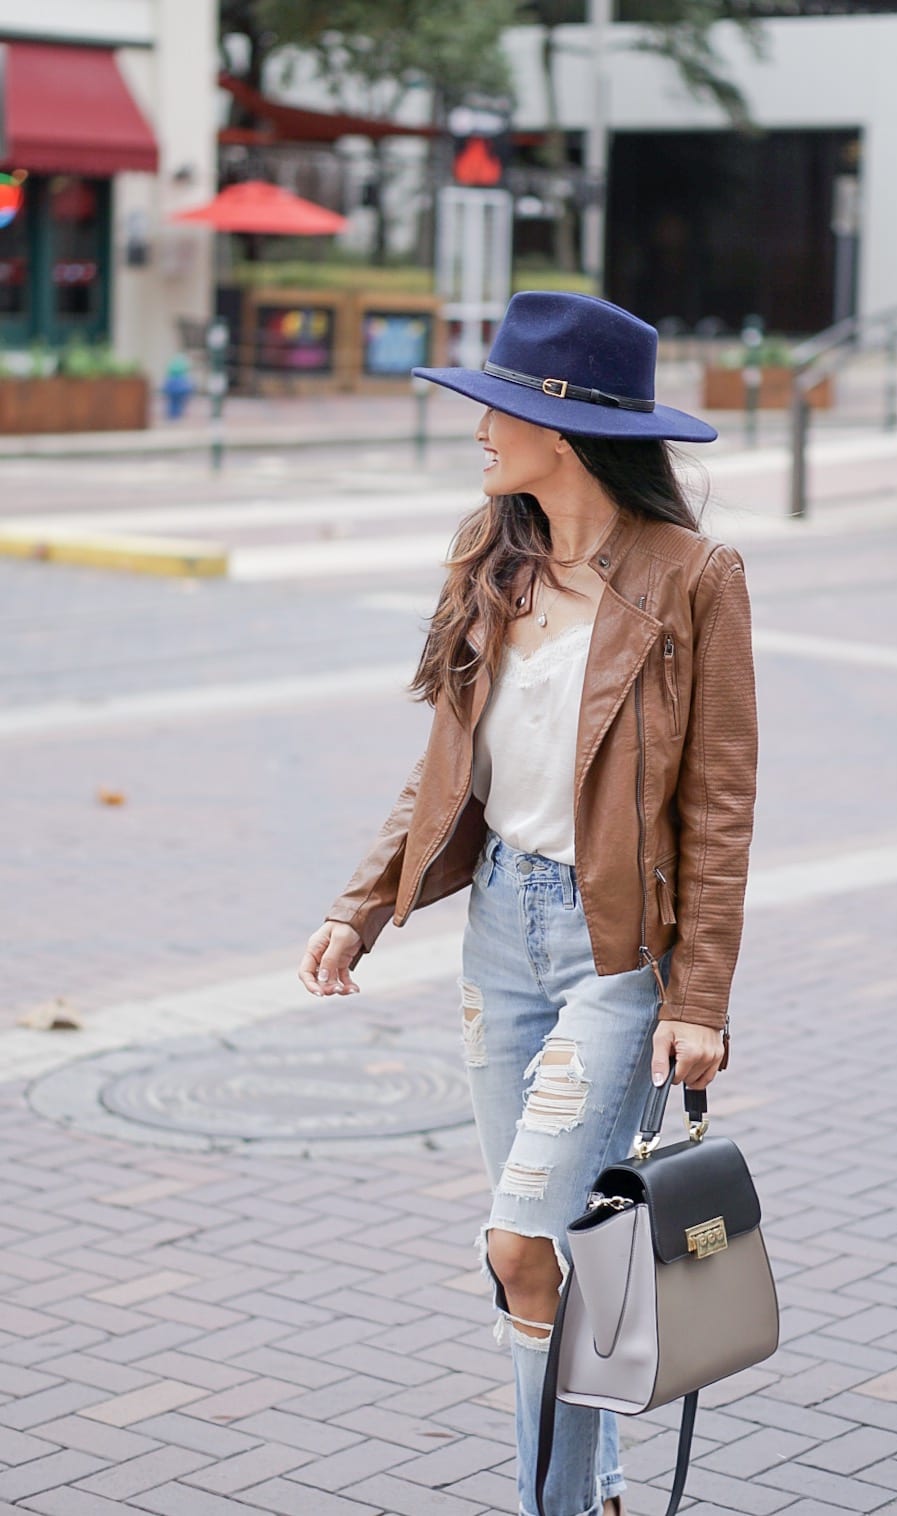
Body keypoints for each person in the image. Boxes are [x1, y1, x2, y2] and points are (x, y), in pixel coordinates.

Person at [298, 291, 757, 1516]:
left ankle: (550, 1505)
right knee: (557, 1255)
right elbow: (445, 758)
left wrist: (699, 995)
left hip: (615, 955)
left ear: (565, 428)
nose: (477, 428)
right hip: (501, 933)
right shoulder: (489, 553)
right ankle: (594, 1493)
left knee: (517, 1242)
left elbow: (718, 802)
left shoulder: (691, 577)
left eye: (497, 407)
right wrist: (362, 905)